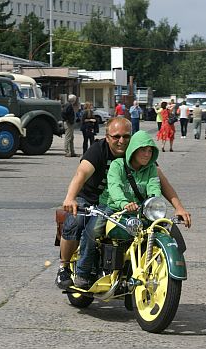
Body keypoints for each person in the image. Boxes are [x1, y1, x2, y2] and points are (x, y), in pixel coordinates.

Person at [55, 116, 191, 289]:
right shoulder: (98, 150)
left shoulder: (139, 154)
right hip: (90, 198)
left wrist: (179, 208)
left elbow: (161, 183)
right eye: (116, 136)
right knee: (76, 222)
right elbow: (81, 174)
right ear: (107, 137)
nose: (121, 141)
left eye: (126, 136)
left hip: (123, 204)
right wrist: (70, 197)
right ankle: (64, 267)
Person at [74, 130, 161, 288]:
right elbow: (115, 187)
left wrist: (153, 202)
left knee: (162, 228)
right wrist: (123, 203)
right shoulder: (117, 165)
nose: (147, 154)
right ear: (134, 149)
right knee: (93, 230)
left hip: (139, 210)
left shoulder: (151, 168)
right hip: (112, 207)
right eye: (143, 149)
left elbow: (154, 186)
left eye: (150, 151)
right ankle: (83, 271)